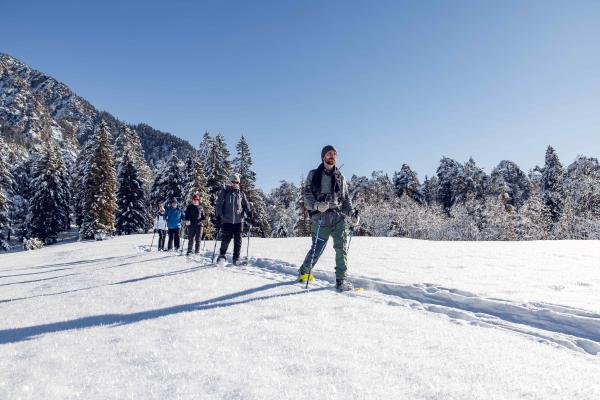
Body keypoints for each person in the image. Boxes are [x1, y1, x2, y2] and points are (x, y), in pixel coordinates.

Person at [297, 145, 358, 291]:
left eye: (334, 154)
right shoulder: (313, 174)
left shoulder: (341, 177)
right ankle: (304, 272)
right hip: (320, 219)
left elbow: (345, 200)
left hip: (338, 218)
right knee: (316, 250)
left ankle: (341, 281)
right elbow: (307, 196)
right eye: (329, 153)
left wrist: (352, 215)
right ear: (323, 157)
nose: (332, 156)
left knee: (341, 249)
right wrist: (316, 206)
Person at [215, 173, 252, 265]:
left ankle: (236, 258)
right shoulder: (225, 192)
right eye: (233, 181)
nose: (235, 183)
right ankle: (222, 256)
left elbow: (246, 205)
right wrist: (219, 215)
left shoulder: (241, 194)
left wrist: (249, 212)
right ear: (229, 182)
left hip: (239, 221)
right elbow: (219, 204)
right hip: (227, 220)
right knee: (225, 240)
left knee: (238, 241)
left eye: (236, 182)